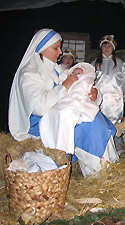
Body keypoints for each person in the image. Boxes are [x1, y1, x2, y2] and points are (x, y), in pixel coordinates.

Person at [8, 28, 118, 177]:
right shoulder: (29, 74)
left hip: (60, 115)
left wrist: (95, 94)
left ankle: (110, 166)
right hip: (40, 124)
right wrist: (65, 86)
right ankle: (98, 174)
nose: (60, 52)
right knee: (87, 127)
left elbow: (79, 84)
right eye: (56, 48)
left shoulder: (56, 69)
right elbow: (39, 107)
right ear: (42, 48)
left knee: (95, 118)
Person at [39, 62, 103, 156]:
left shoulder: (84, 81)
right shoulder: (62, 77)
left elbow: (93, 93)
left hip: (77, 103)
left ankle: (63, 151)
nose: (76, 75)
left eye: (79, 73)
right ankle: (50, 147)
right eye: (74, 73)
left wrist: (96, 93)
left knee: (65, 113)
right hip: (62, 102)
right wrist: (65, 84)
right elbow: (58, 90)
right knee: (49, 116)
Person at [92, 35, 125, 125]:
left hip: (115, 100)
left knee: (114, 123)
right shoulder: (95, 63)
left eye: (109, 46)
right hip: (99, 98)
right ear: (101, 47)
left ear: (113, 48)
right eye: (104, 46)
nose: (106, 48)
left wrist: (122, 95)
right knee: (98, 121)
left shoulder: (121, 64)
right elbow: (89, 79)